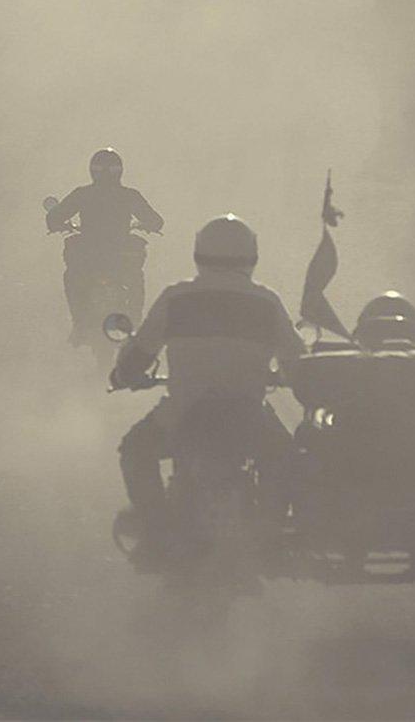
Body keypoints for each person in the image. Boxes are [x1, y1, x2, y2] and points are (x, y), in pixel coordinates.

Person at [113, 214, 304, 562]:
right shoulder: (266, 301)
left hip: (184, 411)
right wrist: (294, 379)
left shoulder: (177, 297)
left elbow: (138, 355)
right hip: (247, 411)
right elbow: (297, 363)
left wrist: (124, 374)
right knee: (285, 457)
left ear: (199, 253)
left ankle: (156, 534)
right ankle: (271, 533)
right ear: (252, 256)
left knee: (135, 452)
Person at [46, 148, 163, 345]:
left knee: (72, 277)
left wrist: (57, 221)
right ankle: (135, 321)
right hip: (119, 254)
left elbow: (55, 217)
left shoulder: (82, 194)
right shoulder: (129, 195)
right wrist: (147, 226)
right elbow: (156, 221)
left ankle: (80, 325)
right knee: (135, 279)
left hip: (89, 254)